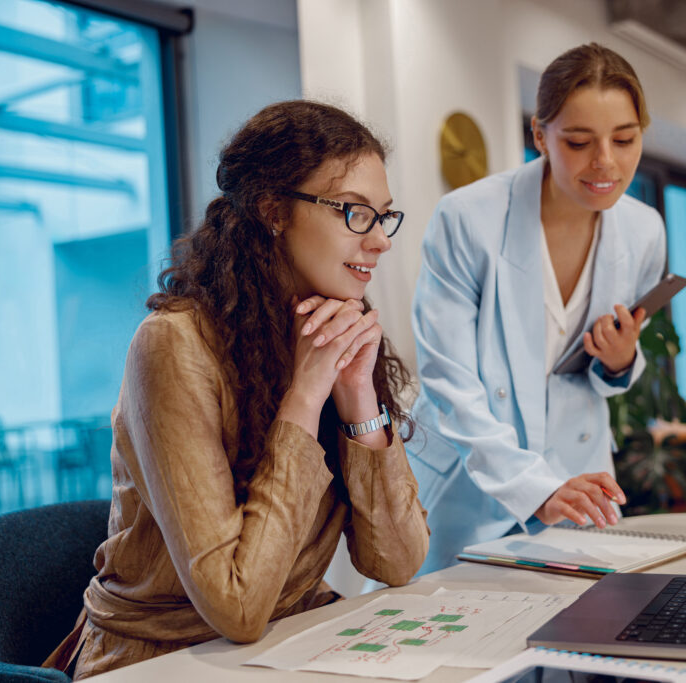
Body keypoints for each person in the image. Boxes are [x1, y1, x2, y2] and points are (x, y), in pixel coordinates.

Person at [45, 100, 429, 679]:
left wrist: (357, 396)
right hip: (165, 659)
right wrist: (305, 397)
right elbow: (239, 606)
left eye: (384, 216)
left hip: (294, 637)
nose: (380, 240)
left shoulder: (327, 328)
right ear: (273, 210)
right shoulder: (173, 345)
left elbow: (398, 563)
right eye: (354, 212)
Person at [407, 43, 666, 574]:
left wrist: (618, 360)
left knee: (575, 637)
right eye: (578, 141)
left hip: (578, 477)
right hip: (467, 480)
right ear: (539, 135)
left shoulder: (645, 231)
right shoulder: (467, 219)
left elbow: (602, 369)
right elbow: (448, 380)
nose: (606, 163)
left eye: (624, 139)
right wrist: (531, 487)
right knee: (451, 641)